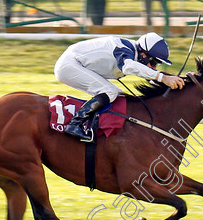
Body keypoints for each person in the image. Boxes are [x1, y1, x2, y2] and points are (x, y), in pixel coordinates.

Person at [54, 32, 185, 142]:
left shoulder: (133, 51)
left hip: (76, 64)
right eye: (154, 62)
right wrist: (162, 77)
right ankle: (75, 124)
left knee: (118, 94)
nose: (154, 67)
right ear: (143, 54)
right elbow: (129, 67)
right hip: (69, 65)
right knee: (109, 92)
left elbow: (140, 69)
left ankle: (98, 127)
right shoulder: (124, 48)